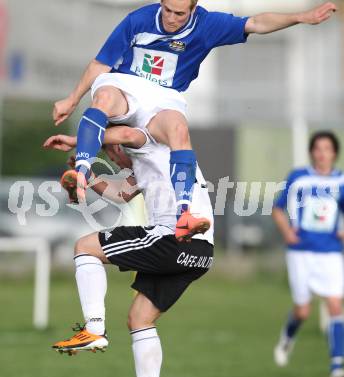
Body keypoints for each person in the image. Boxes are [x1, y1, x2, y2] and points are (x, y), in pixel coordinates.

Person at [52, 0, 337, 241]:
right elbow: (102, 65)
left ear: (194, 8)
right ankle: (82, 171)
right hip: (126, 84)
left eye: (180, 13)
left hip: (165, 97)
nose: (172, 19)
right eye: (167, 10)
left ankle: (183, 216)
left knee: (178, 129)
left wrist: (302, 17)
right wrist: (72, 100)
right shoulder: (138, 19)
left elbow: (256, 23)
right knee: (103, 100)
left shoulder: (206, 25)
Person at [43, 125, 214, 377]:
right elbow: (121, 194)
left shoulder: (148, 140)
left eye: (110, 153)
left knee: (85, 246)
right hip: (200, 251)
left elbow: (125, 135)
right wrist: (86, 176)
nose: (113, 159)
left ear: (118, 144)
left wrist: (79, 141)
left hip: (173, 239)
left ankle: (95, 329)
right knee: (140, 319)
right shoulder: (150, 162)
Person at [272, 131, 344, 377]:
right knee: (303, 311)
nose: (322, 153)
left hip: (330, 252)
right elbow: (278, 209)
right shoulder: (299, 177)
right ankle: (287, 339)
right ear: (312, 152)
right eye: (317, 148)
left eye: (327, 148)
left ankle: (337, 365)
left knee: (335, 305)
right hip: (301, 252)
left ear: (335, 153)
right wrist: (287, 232)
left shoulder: (341, 182)